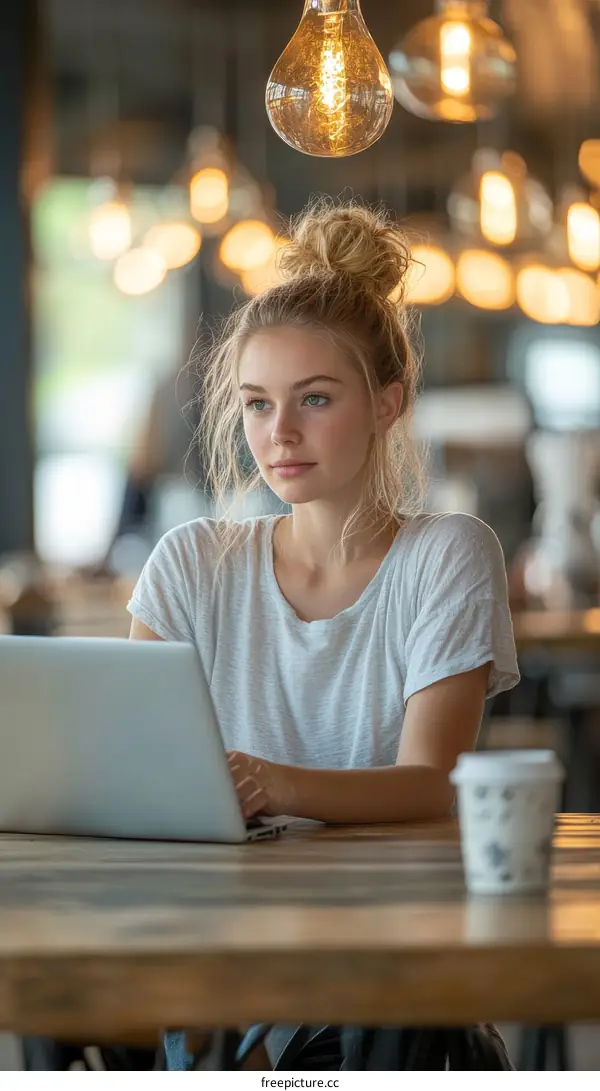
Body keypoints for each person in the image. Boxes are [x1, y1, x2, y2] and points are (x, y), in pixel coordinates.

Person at [127, 199, 520, 1069]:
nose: (281, 435)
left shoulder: (446, 553)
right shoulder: (191, 562)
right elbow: (133, 782)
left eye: (315, 398)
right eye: (259, 405)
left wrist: (270, 783)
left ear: (388, 403)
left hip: (393, 957)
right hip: (215, 952)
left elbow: (429, 783)